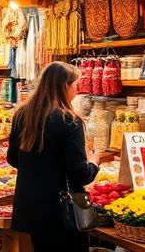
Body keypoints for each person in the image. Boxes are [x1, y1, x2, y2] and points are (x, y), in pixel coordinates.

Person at [8, 61, 99, 251]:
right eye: (75, 84)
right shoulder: (69, 121)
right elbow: (81, 174)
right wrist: (94, 162)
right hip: (62, 213)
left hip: (31, 208)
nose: (77, 89)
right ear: (64, 85)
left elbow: (13, 159)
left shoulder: (22, 114)